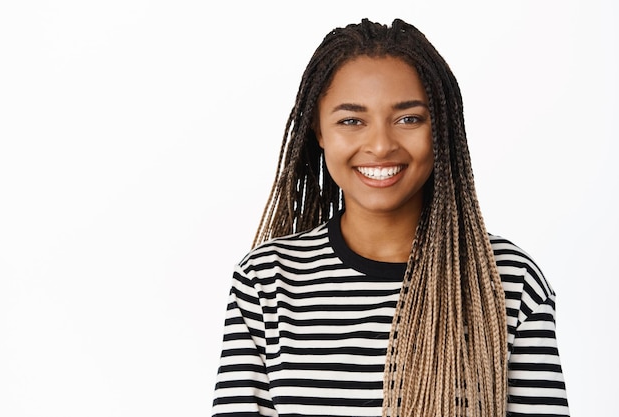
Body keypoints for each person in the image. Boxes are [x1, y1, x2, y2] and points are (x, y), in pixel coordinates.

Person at [211, 18, 569, 417]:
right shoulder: (266, 281)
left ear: (441, 128)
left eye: (409, 119)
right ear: (319, 130)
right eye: (351, 121)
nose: (380, 145)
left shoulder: (509, 282)